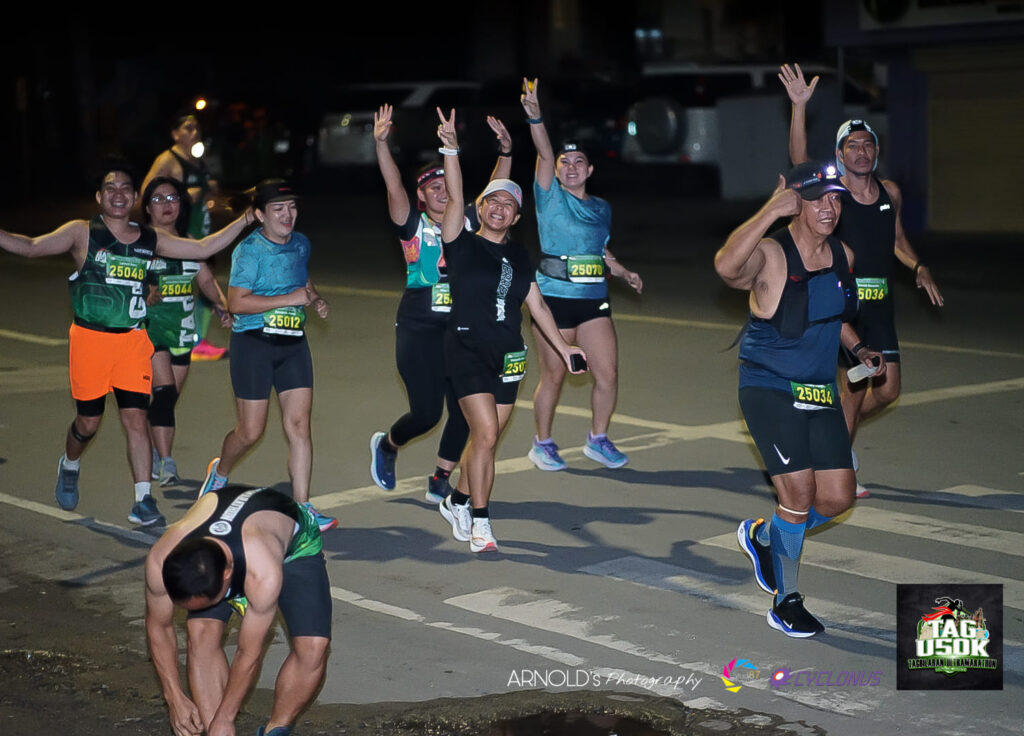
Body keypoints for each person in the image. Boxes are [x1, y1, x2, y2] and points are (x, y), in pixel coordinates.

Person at [0, 157, 251, 525]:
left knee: (136, 418)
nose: (118, 194)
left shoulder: (150, 239)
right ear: (100, 196)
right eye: (110, 188)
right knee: (88, 423)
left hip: (133, 343)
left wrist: (246, 219)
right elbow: (32, 246)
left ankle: (143, 500)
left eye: (125, 189)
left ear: (134, 197)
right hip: (89, 341)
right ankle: (69, 463)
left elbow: (201, 250)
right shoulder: (82, 232)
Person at [714, 160, 885, 638]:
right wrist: (770, 209)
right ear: (796, 205)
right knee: (798, 496)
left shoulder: (841, 254)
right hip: (769, 387)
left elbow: (832, 314)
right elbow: (727, 268)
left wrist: (857, 348)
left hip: (818, 389)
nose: (829, 207)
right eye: (816, 199)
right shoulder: (770, 252)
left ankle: (764, 537)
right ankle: (785, 600)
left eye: (834, 198)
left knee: (837, 498)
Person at [779, 63, 944, 497]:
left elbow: (897, 240)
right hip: (845, 307)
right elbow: (798, 161)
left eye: (867, 144)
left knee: (887, 391)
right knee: (853, 392)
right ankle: (838, 469)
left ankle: (831, 432)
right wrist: (799, 107)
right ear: (839, 154)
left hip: (882, 306)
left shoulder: (890, 192)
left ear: (876, 151)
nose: (861, 151)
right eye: (852, 145)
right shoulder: (832, 195)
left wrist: (918, 266)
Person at [434, 108, 586, 553]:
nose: (500, 209)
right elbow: (456, 192)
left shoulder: (520, 257)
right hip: (465, 350)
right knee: (483, 436)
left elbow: (535, 304)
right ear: (481, 209)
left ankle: (458, 499)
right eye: (494, 202)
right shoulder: (460, 242)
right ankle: (481, 521)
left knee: (487, 439)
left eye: (509, 206)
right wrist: (450, 148)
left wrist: (564, 348)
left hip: (509, 355)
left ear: (516, 218)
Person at [367, 104, 515, 503]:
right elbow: (393, 185)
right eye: (433, 187)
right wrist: (382, 145)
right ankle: (389, 444)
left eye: (445, 185)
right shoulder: (411, 224)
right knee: (428, 412)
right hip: (419, 328)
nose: (442, 191)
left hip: (460, 328)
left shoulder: (468, 220)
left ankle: (440, 477)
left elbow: (496, 189)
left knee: (469, 409)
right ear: (421, 195)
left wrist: (506, 151)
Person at [198, 179, 337, 533]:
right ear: (259, 214)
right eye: (278, 209)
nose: (287, 214)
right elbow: (237, 303)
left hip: (293, 345)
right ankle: (220, 472)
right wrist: (288, 299)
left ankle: (303, 509)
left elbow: (301, 281)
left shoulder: (301, 244)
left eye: (291, 207)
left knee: (299, 425)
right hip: (255, 345)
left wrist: (314, 298)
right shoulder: (249, 251)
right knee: (250, 432)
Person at [519, 78, 643, 472]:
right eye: (563, 163)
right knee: (553, 375)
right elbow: (542, 150)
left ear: (589, 169)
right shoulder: (547, 195)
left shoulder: (602, 207)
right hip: (553, 301)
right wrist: (536, 117)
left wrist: (622, 270)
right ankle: (543, 443)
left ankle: (598, 439)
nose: (570, 168)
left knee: (607, 372)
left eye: (578, 163)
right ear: (554, 171)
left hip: (593, 301)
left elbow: (598, 250)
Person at [144, 484, 330, 736]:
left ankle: (276, 728)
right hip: (227, 532)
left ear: (227, 576)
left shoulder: (263, 574)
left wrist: (226, 716)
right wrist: (174, 696)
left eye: (206, 603)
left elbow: (248, 653)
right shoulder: (160, 560)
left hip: (294, 547)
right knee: (200, 631)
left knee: (313, 648)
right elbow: (159, 625)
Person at [141, 176, 233, 485]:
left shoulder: (190, 240)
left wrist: (222, 305)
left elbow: (205, 280)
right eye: (158, 199)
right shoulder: (140, 242)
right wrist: (143, 293)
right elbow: (121, 281)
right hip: (150, 330)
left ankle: (147, 441)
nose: (167, 205)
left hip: (182, 332)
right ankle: (165, 461)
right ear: (146, 207)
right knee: (165, 393)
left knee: (168, 398)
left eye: (173, 199)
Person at [142, 111, 228, 361]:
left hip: (199, 232)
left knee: (203, 282)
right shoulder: (167, 160)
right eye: (187, 128)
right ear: (175, 134)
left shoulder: (197, 159)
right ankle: (191, 340)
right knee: (189, 283)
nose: (193, 132)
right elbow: (147, 192)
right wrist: (186, 195)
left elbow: (201, 188)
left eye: (196, 128)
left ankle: (194, 338)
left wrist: (209, 188)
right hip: (178, 235)